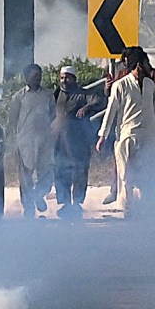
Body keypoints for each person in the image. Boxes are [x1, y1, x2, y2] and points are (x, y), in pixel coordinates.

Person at [96, 46, 155, 214]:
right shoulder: (120, 85)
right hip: (127, 136)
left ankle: (146, 210)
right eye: (146, 62)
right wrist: (102, 136)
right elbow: (111, 111)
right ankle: (127, 209)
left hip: (148, 135)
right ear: (139, 65)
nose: (149, 66)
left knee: (148, 174)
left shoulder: (149, 84)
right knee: (126, 176)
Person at [5, 65, 58, 218]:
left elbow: (53, 115)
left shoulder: (48, 95)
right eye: (34, 75)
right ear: (26, 77)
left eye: (39, 75)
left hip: (44, 139)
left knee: (47, 172)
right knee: (25, 175)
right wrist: (11, 141)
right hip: (25, 141)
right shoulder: (18, 97)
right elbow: (12, 120)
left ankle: (39, 194)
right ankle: (28, 206)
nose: (37, 78)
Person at [49, 66, 101, 218]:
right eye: (62, 78)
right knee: (60, 171)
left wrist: (86, 107)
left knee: (79, 171)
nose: (64, 81)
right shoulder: (56, 94)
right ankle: (64, 203)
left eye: (67, 77)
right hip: (58, 142)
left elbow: (97, 101)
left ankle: (77, 203)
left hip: (77, 142)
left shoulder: (82, 94)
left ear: (74, 79)